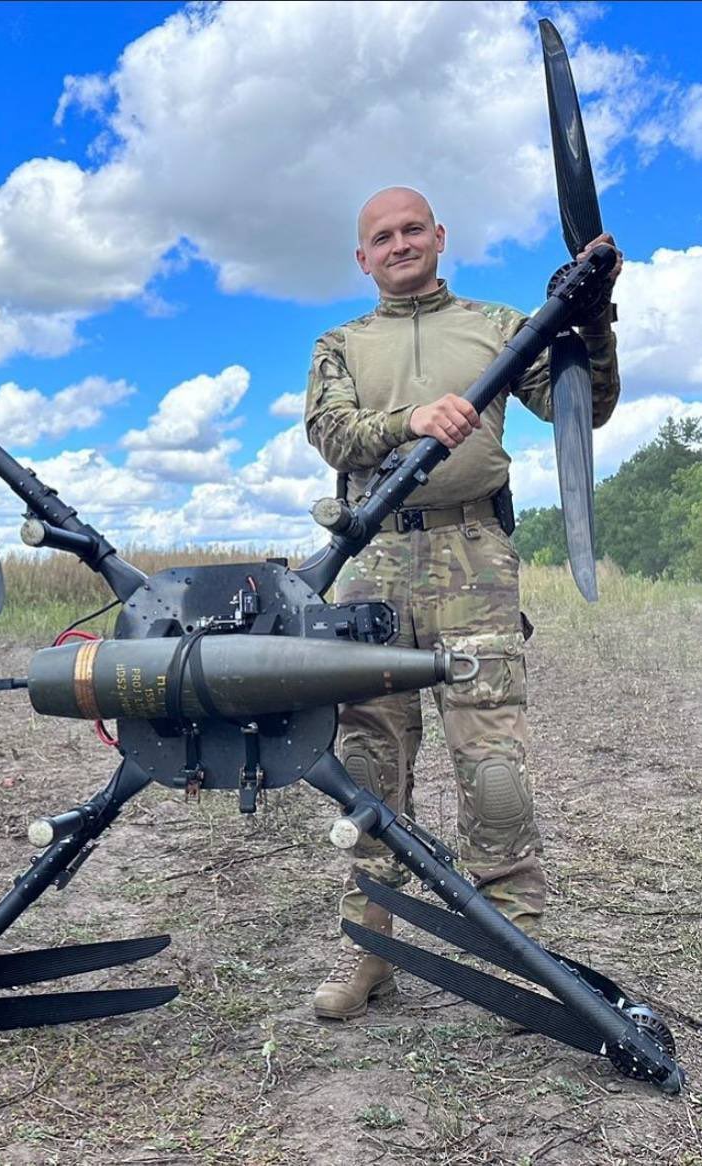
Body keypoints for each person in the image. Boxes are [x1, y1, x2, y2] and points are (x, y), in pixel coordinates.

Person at [303, 186, 622, 1020]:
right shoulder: (340, 342)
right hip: (371, 559)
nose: (400, 243)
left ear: (440, 237)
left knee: (492, 766)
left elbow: (579, 406)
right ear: (362, 257)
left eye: (413, 229)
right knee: (370, 766)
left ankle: (514, 951)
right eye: (383, 236)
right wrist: (409, 420)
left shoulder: (502, 326)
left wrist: (594, 321)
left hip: (475, 557)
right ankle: (369, 951)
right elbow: (331, 432)